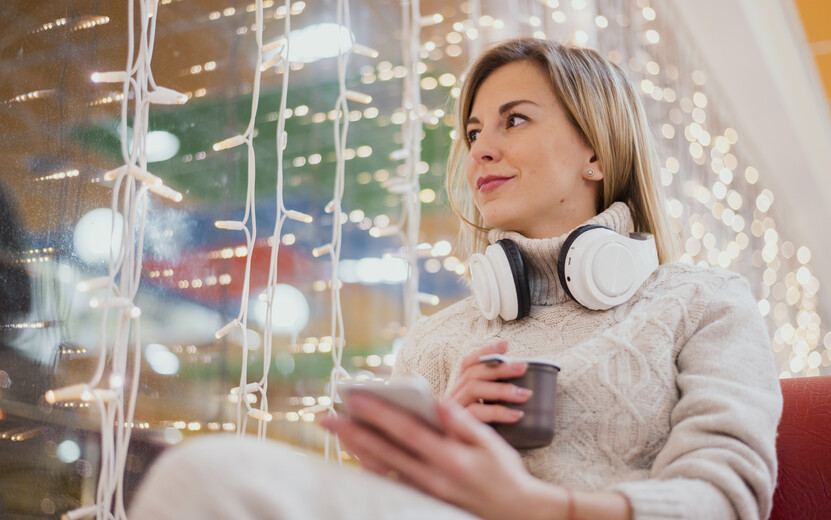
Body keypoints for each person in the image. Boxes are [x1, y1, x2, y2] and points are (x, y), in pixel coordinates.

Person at [129, 38, 782, 520]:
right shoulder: (436, 340)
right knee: (202, 478)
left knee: (204, 474)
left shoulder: (701, 302)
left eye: (513, 120)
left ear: (596, 151)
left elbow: (723, 499)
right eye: (472, 132)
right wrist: (424, 445)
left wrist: (532, 504)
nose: (480, 149)